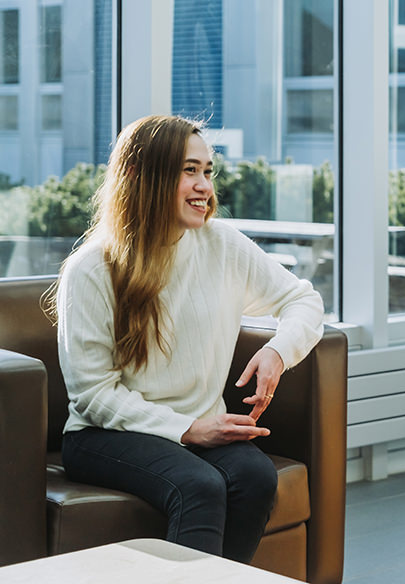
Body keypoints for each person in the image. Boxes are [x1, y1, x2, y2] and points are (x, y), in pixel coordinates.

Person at [46, 115, 325, 563]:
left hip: (200, 424)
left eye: (208, 171)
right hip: (105, 434)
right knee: (198, 485)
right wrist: (189, 431)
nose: (204, 187)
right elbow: (93, 394)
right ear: (139, 175)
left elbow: (303, 300)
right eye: (188, 170)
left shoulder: (222, 245)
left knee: (255, 476)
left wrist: (277, 351)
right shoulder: (91, 269)